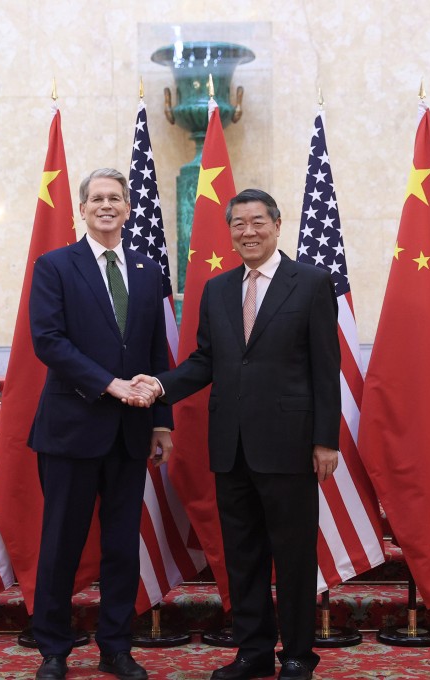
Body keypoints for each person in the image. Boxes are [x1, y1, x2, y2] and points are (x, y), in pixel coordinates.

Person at [132, 189, 340, 680]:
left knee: (292, 558)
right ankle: (253, 652)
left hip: (291, 447)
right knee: (242, 557)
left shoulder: (310, 283)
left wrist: (325, 440)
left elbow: (325, 369)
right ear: (229, 232)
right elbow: (207, 360)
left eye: (257, 222)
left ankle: (296, 656)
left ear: (277, 224)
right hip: (231, 448)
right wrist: (161, 384)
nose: (248, 232)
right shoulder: (219, 289)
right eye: (239, 224)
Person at [27, 168, 173, 680]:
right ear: (81, 210)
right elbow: (48, 341)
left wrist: (162, 421)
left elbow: (157, 348)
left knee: (120, 547)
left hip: (132, 434)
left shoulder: (149, 268)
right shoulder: (55, 266)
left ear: (129, 208)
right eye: (97, 199)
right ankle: (53, 649)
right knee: (61, 544)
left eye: (116, 198)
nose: (106, 206)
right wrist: (109, 384)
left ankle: (116, 645)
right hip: (72, 428)